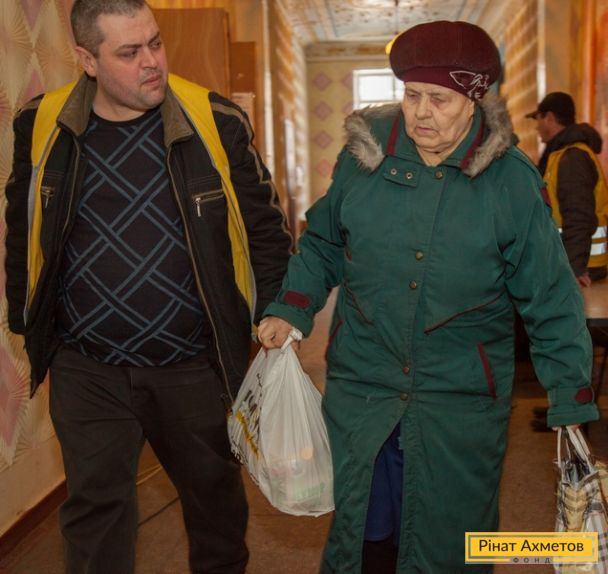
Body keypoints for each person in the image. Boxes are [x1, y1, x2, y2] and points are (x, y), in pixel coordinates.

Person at [258, 20, 599, 574]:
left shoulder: (510, 180)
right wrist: (291, 308)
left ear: (474, 98)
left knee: (451, 538)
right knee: (360, 528)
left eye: (439, 99)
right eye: (412, 95)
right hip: (365, 382)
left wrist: (570, 393)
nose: (421, 113)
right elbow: (322, 243)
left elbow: (549, 295)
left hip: (459, 395)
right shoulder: (365, 159)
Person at [3, 1, 292, 572]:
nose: (152, 62)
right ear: (87, 60)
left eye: (155, 43)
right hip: (87, 368)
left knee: (215, 507)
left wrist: (276, 319)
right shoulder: (42, 123)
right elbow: (23, 224)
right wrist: (24, 318)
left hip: (193, 366)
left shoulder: (215, 121)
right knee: (94, 516)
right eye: (129, 52)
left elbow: (265, 230)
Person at [526, 91, 608, 285]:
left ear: (550, 118)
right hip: (573, 265)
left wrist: (574, 269)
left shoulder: (572, 158)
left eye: (538, 119)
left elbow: (578, 215)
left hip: (582, 271)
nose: (537, 127)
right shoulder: (560, 155)